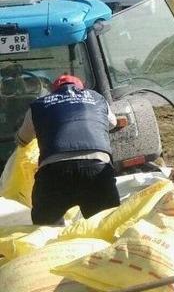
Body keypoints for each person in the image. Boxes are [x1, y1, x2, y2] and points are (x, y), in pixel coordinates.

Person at [16, 75, 120, 225]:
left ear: (53, 91)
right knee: (106, 223)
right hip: (97, 168)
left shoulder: (38, 105)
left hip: (54, 173)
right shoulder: (97, 98)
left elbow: (22, 139)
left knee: (45, 228)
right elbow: (112, 123)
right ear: (81, 88)